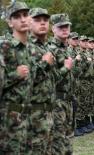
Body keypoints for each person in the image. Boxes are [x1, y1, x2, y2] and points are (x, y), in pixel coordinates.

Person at [0, 2, 32, 154]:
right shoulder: (4, 47)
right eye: (17, 16)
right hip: (9, 122)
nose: (23, 19)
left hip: (31, 118)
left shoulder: (32, 49)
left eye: (26, 15)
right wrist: (15, 75)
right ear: (9, 21)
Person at [28, 7, 55, 154]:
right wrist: (44, 63)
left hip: (48, 113)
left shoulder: (47, 48)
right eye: (37, 20)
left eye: (45, 20)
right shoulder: (24, 47)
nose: (43, 23)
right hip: (31, 116)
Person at [49, 13, 74, 155]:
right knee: (58, 143)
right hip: (57, 102)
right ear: (53, 29)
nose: (65, 29)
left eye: (67, 26)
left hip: (69, 101)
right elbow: (48, 79)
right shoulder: (51, 49)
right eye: (61, 27)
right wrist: (65, 68)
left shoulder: (68, 49)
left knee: (68, 141)